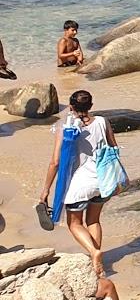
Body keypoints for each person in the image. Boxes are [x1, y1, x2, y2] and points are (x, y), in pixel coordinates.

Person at [38, 89, 119, 275]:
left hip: (78, 184)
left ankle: (94, 252)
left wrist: (46, 189)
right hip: (101, 180)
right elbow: (113, 149)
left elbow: (56, 162)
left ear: (71, 106)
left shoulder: (65, 127)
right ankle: (98, 263)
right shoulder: (102, 121)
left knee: (74, 224)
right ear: (91, 105)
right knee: (94, 220)